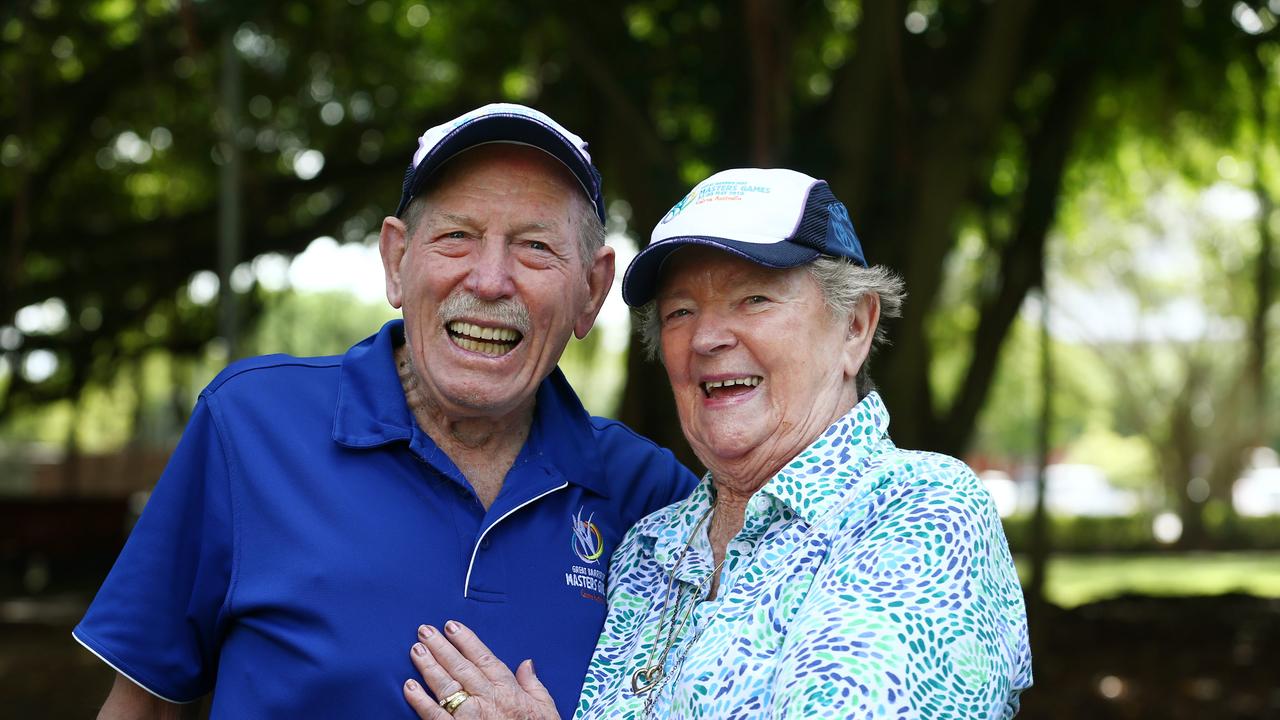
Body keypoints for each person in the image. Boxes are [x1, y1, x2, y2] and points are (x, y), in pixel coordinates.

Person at [73, 104, 697, 719]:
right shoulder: (249, 427)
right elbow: (144, 706)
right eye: (457, 236)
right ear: (397, 260)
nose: (488, 281)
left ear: (591, 291)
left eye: (535, 247)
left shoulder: (653, 496)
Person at [402, 168, 1033, 719]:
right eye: (680, 312)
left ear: (855, 326)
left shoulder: (920, 510)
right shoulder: (651, 546)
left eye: (753, 298)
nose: (707, 338)